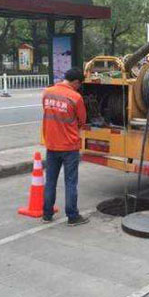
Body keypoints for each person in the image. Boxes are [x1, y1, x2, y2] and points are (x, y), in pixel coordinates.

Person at [42, 67, 89, 226]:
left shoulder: (47, 92)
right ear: (75, 82)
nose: (79, 87)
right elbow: (82, 120)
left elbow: (47, 112)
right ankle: (72, 216)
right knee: (70, 182)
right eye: (79, 84)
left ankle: (47, 214)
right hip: (69, 146)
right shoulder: (76, 97)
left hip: (52, 145)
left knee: (50, 181)